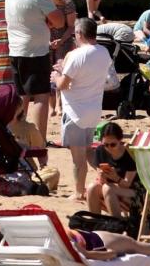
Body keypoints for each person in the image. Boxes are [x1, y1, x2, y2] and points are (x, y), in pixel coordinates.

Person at [55, 17, 119, 203]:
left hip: (76, 110)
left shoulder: (76, 55)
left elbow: (63, 85)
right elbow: (88, 75)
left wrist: (56, 76)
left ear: (79, 34)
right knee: (89, 152)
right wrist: (64, 71)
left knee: (78, 157)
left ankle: (78, 192)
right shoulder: (103, 52)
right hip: (93, 110)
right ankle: (110, 176)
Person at [5, 0, 65, 144]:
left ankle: (20, 136)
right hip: (36, 51)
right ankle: (39, 139)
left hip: (15, 50)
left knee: (22, 95)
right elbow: (60, 21)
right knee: (40, 97)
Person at [87, 121, 138, 217]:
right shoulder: (100, 150)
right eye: (106, 144)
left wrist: (116, 178)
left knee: (108, 189)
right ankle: (96, 222)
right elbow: (101, 181)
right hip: (112, 187)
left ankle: (117, 225)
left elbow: (127, 184)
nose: (109, 148)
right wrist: (102, 176)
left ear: (120, 140)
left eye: (113, 144)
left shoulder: (129, 154)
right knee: (91, 188)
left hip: (134, 191)